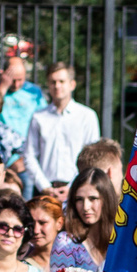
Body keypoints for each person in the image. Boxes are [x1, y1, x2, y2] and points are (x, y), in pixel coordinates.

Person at [20, 61, 102, 194]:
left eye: (61, 81)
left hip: (78, 189)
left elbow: (92, 157)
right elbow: (29, 155)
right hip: (45, 189)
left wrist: (73, 186)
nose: (57, 86)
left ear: (72, 84)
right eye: (53, 82)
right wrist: (45, 187)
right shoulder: (38, 117)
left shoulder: (87, 116)